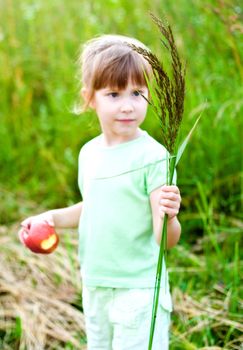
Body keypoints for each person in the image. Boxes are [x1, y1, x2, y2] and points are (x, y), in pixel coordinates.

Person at [20, 34, 182, 350]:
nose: (127, 106)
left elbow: (167, 240)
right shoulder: (89, 153)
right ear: (90, 98)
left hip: (137, 291)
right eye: (113, 94)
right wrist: (50, 218)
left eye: (138, 93)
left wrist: (169, 216)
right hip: (94, 284)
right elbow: (94, 207)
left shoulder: (154, 158)